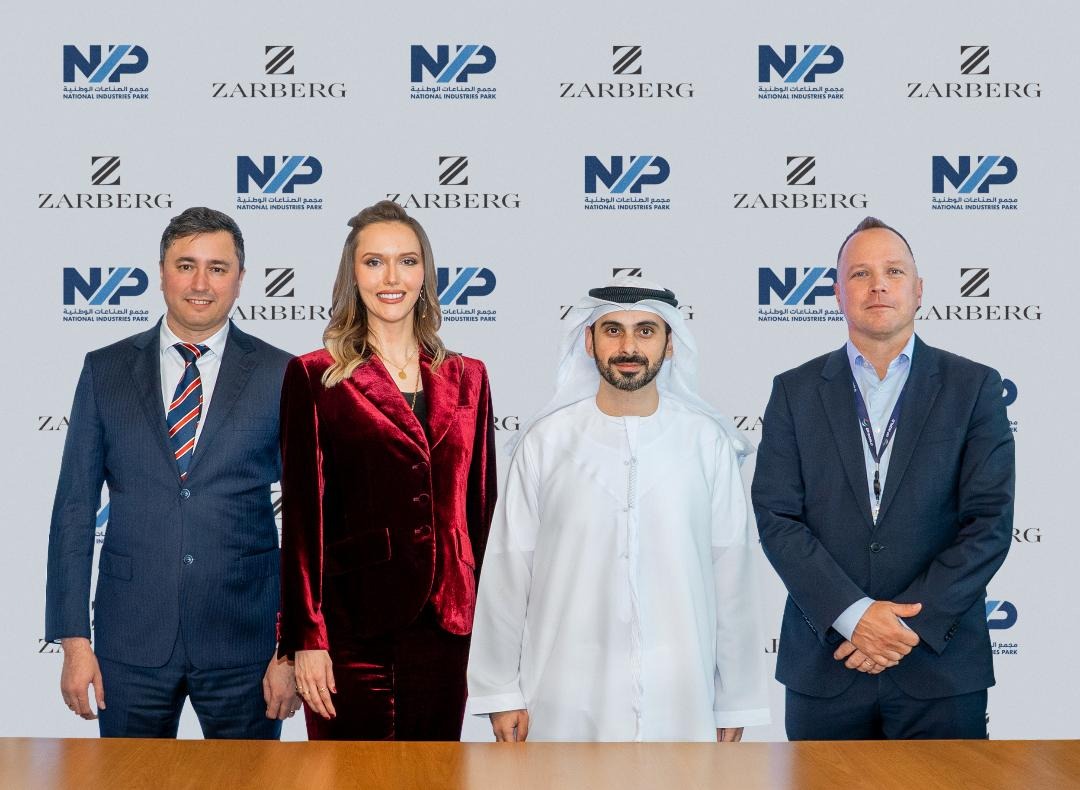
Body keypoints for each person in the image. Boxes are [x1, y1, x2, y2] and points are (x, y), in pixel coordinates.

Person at [466, 276, 770, 742]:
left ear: (670, 344)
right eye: (613, 330)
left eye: (646, 331)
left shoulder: (707, 443)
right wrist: (500, 692)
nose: (629, 347)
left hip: (680, 697)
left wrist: (736, 700)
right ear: (589, 341)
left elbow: (733, 576)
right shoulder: (546, 442)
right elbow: (509, 570)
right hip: (563, 695)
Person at [752, 217, 1015, 740]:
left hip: (940, 666)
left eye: (894, 271)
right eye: (860, 273)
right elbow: (777, 517)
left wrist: (900, 627)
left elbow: (988, 524)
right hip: (826, 663)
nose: (878, 286)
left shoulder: (974, 387)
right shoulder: (794, 391)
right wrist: (853, 616)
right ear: (836, 293)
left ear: (919, 289)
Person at [45, 207, 298, 738]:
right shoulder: (105, 369)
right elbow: (74, 509)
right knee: (127, 778)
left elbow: (307, 521)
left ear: (240, 278)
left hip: (247, 646)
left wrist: (291, 649)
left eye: (217, 268)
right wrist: (73, 640)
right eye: (186, 266)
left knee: (249, 780)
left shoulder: (283, 373)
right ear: (161, 273)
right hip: (129, 641)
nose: (201, 284)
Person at [278, 200, 497, 740]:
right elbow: (303, 522)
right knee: (347, 774)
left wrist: (499, 634)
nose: (392, 278)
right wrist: (306, 639)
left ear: (425, 273)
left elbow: (482, 511)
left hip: (448, 623)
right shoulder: (315, 376)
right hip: (351, 625)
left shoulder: (469, 377)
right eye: (374, 262)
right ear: (353, 275)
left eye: (407, 261)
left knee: (436, 774)